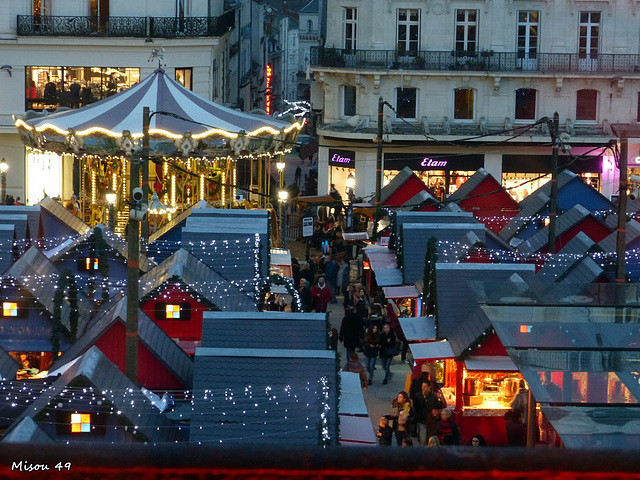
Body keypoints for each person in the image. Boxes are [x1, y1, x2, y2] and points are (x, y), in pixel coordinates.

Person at [412, 380, 438, 446]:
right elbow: (416, 408)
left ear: (429, 387)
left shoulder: (433, 397)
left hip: (430, 421)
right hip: (421, 420)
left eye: (425, 386)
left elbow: (435, 407)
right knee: (422, 439)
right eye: (422, 386)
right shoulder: (417, 396)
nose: (423, 388)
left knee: (430, 439)